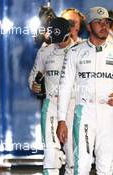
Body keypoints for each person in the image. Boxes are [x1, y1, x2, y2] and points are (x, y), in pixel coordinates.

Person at [56, 6, 113, 175]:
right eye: (98, 22)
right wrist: (62, 120)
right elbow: (64, 87)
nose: (103, 26)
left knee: (106, 167)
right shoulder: (75, 52)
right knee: (81, 165)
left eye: (106, 22)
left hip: (109, 113)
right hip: (84, 113)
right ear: (89, 26)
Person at [28, 17, 75, 175]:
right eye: (55, 39)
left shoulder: (80, 51)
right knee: (50, 155)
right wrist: (34, 85)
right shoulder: (45, 51)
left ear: (69, 34)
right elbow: (33, 76)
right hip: (51, 104)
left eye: (61, 39)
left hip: (73, 106)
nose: (59, 43)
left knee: (73, 156)